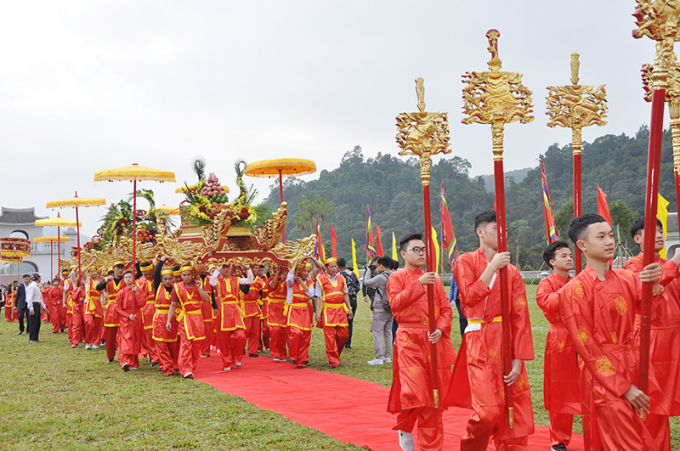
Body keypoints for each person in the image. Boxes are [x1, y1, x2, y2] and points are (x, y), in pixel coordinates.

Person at [557, 213, 669, 450]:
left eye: (610, 235)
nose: (610, 241)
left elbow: (655, 316)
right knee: (622, 441)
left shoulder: (628, 277)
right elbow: (587, 349)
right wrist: (623, 388)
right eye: (601, 236)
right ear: (582, 245)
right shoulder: (574, 290)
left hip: (636, 364)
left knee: (650, 434)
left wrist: (656, 287)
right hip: (604, 377)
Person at [447, 210, 535, 450]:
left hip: (506, 342)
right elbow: (469, 298)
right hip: (479, 338)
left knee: (513, 414)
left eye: (505, 229)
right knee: (487, 412)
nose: (503, 233)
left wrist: (519, 358)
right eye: (497, 228)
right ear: (481, 232)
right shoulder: (465, 261)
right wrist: (492, 267)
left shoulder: (513, 272)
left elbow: (520, 318)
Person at [386, 233, 456, 451]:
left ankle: (431, 447)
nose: (421, 253)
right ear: (404, 254)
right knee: (414, 392)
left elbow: (445, 309)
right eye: (416, 249)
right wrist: (418, 285)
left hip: (433, 341)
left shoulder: (434, 279)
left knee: (434, 396)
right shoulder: (396, 278)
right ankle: (405, 426)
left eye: (423, 249)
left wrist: (441, 328)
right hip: (409, 340)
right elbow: (395, 304)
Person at [624, 218, 680, 451]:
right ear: (637, 240)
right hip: (651, 338)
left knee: (666, 399)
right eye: (651, 233)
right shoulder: (633, 266)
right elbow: (644, 288)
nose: (659, 235)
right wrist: (675, 262)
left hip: (674, 338)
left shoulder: (668, 264)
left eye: (660, 231)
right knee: (653, 399)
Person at [536, 241, 580, 451]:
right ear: (552, 262)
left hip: (585, 337)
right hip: (560, 339)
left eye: (570, 255)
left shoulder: (577, 280)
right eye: (564, 256)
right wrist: (572, 287)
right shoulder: (547, 284)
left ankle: (598, 433)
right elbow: (548, 303)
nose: (569, 258)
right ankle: (559, 439)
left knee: (591, 386)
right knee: (560, 388)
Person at [166, 265, 211, 379]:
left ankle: (191, 366)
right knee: (186, 344)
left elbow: (206, 299)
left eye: (188, 275)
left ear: (192, 275)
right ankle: (185, 369)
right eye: (184, 275)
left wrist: (199, 287)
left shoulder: (199, 285)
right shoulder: (177, 287)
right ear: (181, 276)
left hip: (198, 319)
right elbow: (173, 305)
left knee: (196, 346)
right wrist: (168, 320)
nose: (186, 277)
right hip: (185, 318)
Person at [210, 264, 253, 371]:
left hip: (235, 310)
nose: (225, 269)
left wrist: (248, 268)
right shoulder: (218, 280)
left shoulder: (236, 279)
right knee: (224, 339)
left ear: (232, 268)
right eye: (223, 267)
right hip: (223, 310)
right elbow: (211, 282)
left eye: (227, 267)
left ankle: (236, 358)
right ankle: (227, 363)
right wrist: (218, 269)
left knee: (240, 335)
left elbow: (250, 281)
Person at [314, 257, 353, 368]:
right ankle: (333, 361)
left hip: (340, 310)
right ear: (326, 268)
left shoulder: (341, 278)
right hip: (328, 310)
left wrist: (349, 307)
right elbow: (317, 297)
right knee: (329, 337)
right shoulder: (320, 279)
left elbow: (345, 294)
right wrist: (317, 312)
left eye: (335, 266)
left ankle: (335, 353)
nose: (334, 269)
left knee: (344, 335)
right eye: (331, 267)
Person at [364, 256, 394, 365]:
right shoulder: (394, 275)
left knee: (377, 332)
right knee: (388, 332)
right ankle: (387, 357)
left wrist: (368, 271)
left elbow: (367, 283)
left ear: (381, 265)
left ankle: (378, 358)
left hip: (380, 307)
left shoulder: (381, 277)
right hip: (390, 307)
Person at [286, 260, 316, 368]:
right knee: (296, 332)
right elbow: (289, 278)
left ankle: (302, 361)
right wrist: (294, 264)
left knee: (305, 337)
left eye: (308, 271)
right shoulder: (291, 282)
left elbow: (311, 293)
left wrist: (301, 283)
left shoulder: (310, 283)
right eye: (304, 270)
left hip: (305, 311)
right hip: (294, 309)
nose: (306, 273)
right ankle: (293, 356)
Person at [153, 258, 179, 376]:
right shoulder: (157, 287)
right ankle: (167, 367)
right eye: (165, 279)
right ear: (161, 280)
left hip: (173, 318)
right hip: (159, 318)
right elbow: (156, 273)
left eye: (170, 278)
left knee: (172, 344)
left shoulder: (177, 288)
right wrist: (161, 261)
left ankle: (172, 364)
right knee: (161, 344)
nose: (168, 281)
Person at [115, 269, 145, 371]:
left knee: (136, 339)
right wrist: (127, 316)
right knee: (126, 339)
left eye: (130, 277)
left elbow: (142, 303)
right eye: (126, 277)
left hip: (136, 318)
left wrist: (136, 292)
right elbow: (117, 307)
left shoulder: (138, 290)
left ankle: (134, 362)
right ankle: (125, 362)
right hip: (126, 319)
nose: (128, 279)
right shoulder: (121, 292)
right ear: (124, 279)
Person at [97, 261, 126, 363]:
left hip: (123, 308)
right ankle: (110, 355)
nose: (120, 270)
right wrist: (105, 281)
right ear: (113, 269)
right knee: (110, 334)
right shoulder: (107, 280)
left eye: (122, 268)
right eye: (118, 268)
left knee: (124, 334)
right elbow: (98, 287)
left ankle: (123, 355)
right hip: (111, 309)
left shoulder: (126, 279)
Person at [137, 261, 159, 365]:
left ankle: (156, 355)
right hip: (145, 310)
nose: (147, 276)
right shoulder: (139, 282)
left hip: (157, 307)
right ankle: (152, 355)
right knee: (148, 334)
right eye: (144, 274)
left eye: (149, 274)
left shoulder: (158, 280)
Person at [267, 264, 290, 362]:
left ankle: (282, 353)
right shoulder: (271, 279)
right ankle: (275, 352)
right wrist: (277, 274)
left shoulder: (287, 281)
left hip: (283, 308)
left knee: (283, 331)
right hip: (273, 307)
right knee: (275, 330)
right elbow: (272, 285)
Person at [242, 264, 266, 357]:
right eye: (254, 268)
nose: (255, 270)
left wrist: (260, 307)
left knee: (255, 331)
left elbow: (260, 293)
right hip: (245, 306)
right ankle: (241, 347)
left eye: (257, 268)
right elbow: (245, 291)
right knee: (246, 330)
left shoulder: (259, 280)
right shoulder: (242, 278)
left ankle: (253, 350)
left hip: (255, 306)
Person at [338, 258, 360, 349]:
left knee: (341, 323)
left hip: (342, 301)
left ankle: (341, 342)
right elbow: (358, 286)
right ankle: (348, 344)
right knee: (350, 322)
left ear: (338, 266)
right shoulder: (353, 274)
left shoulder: (338, 275)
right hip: (353, 299)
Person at [83, 267, 103, 349]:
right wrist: (90, 263)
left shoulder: (101, 282)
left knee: (98, 324)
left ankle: (96, 342)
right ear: (89, 273)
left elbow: (103, 293)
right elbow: (81, 271)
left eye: (95, 271)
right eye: (91, 271)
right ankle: (88, 341)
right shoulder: (87, 280)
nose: (93, 273)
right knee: (88, 322)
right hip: (89, 303)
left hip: (98, 303)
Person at [26, 273, 48, 344]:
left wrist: (43, 306)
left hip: (37, 305)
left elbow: (39, 298)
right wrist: (31, 308)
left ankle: (36, 337)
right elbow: (29, 298)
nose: (40, 278)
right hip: (33, 305)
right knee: (33, 322)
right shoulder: (32, 286)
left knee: (37, 322)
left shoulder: (37, 286)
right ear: (37, 278)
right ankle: (31, 338)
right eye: (39, 277)